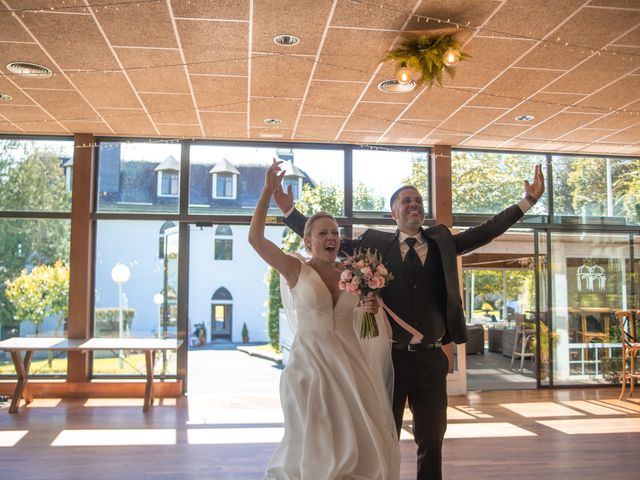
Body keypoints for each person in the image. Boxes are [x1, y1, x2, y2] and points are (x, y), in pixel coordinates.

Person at [275, 164, 545, 480]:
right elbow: (329, 243)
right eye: (405, 200)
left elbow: (483, 232)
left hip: (431, 358)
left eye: (417, 199)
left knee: (431, 439)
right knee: (382, 433)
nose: (413, 204)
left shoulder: (442, 240)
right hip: (390, 358)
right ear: (394, 213)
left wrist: (526, 203)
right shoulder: (374, 244)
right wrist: (289, 211)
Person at [249, 159, 400, 480]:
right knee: (313, 431)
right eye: (323, 233)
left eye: (334, 232)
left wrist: (370, 309)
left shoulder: (355, 272)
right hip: (309, 365)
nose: (331, 237)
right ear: (308, 241)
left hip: (349, 362)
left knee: (357, 430)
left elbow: (366, 317)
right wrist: (266, 194)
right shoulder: (295, 268)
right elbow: (256, 241)